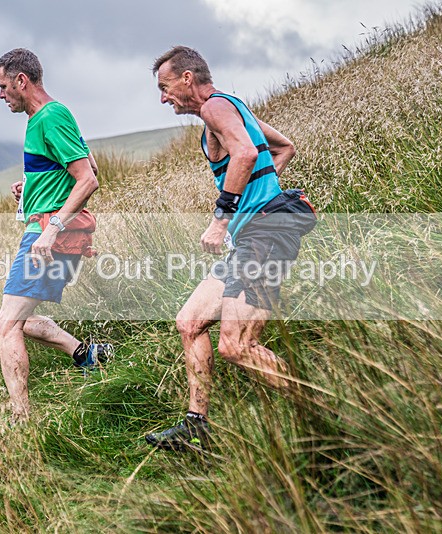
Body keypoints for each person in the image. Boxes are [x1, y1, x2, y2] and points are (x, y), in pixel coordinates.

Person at [145, 46, 315, 450]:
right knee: (189, 321)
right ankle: (196, 429)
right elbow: (282, 147)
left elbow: (244, 152)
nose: (163, 98)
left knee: (237, 346)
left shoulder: (214, 109)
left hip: (264, 236)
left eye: (165, 87)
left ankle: (324, 413)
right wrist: (259, 188)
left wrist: (222, 218)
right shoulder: (234, 106)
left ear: (188, 78)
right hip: (252, 238)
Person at [0, 48, 111, 421]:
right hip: (43, 231)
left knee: (6, 324)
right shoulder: (46, 118)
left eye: (3, 86)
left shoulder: (50, 117)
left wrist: (53, 227)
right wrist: (30, 184)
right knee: (20, 319)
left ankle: (21, 421)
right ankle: (89, 355)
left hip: (49, 237)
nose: (0, 95)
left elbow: (88, 179)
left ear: (21, 81)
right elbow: (86, 162)